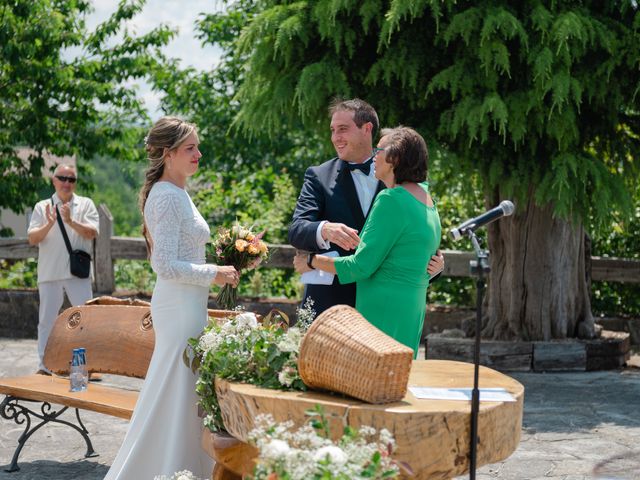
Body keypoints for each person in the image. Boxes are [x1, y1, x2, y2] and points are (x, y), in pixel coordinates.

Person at [105, 117, 239, 479]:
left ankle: (188, 467)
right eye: (190, 148)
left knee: (186, 393)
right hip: (178, 306)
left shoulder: (178, 192)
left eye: (197, 146)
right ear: (168, 154)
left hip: (189, 303)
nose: (199, 153)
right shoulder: (165, 196)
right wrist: (216, 272)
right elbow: (163, 264)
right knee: (176, 391)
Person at [294, 127, 441, 357]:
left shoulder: (391, 199)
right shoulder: (426, 199)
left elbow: (359, 267)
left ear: (395, 158)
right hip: (410, 310)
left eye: (379, 150)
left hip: (382, 312)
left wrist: (312, 261)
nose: (374, 156)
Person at [288, 98, 443, 316]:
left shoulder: (400, 178)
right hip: (330, 306)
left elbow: (418, 239)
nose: (335, 138)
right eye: (333, 130)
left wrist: (436, 268)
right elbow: (296, 230)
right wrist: (324, 229)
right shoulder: (318, 176)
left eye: (343, 129)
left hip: (382, 305)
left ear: (367, 129)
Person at [27, 164, 99, 375]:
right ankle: (44, 366)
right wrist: (50, 223)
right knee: (46, 321)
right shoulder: (42, 206)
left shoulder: (86, 204)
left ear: (75, 183)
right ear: (54, 180)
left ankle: (84, 367)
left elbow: (92, 233)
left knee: (85, 321)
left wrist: (70, 221)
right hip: (49, 273)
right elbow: (33, 238)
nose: (66, 183)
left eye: (71, 179)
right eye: (62, 178)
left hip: (78, 274)